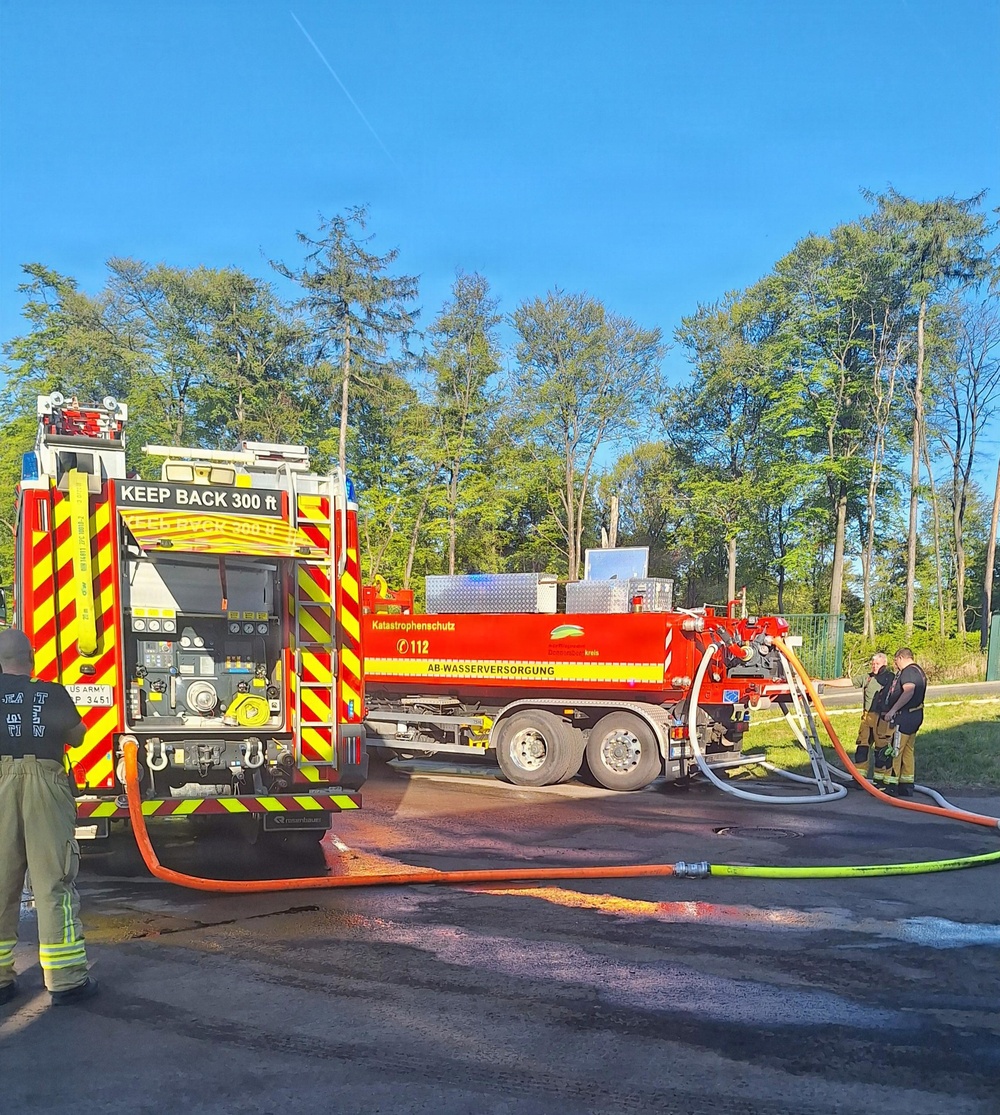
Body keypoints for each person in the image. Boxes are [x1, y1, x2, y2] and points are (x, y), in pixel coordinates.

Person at [0, 629, 98, 1006]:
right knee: (52, 882)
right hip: (45, 784)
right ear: (32, 657)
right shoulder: (51, 692)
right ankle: (66, 980)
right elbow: (77, 736)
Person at [879, 647, 928, 798]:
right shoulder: (919, 671)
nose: (895, 665)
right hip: (915, 715)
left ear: (901, 658)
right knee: (908, 751)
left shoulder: (908, 672)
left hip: (904, 717)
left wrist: (893, 710)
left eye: (895, 661)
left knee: (895, 750)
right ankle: (906, 785)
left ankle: (892, 785)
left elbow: (908, 690)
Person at [853, 651, 894, 784]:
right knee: (862, 747)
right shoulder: (868, 678)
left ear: (885, 664)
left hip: (882, 719)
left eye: (877, 664)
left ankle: (880, 780)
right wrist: (824, 683)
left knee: (881, 750)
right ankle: (859, 778)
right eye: (873, 664)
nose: (874, 666)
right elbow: (849, 682)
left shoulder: (891, 678)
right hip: (867, 718)